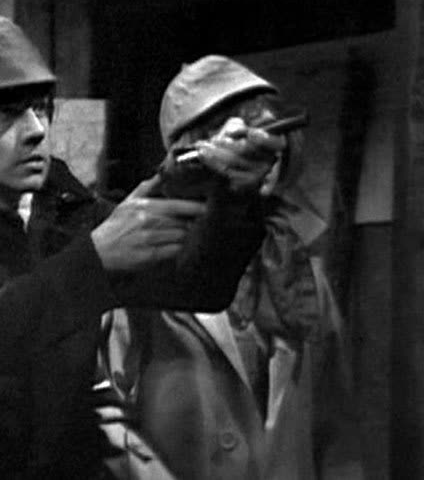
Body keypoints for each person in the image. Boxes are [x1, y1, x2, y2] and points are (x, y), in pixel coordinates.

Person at [0, 18, 286, 479]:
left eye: (41, 108)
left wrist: (235, 195)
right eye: (7, 114)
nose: (35, 130)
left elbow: (199, 286)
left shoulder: (67, 210)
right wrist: (95, 262)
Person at [97, 55, 364, 480]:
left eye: (269, 131)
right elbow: (107, 411)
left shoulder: (301, 276)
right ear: (194, 150)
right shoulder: (147, 263)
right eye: (237, 130)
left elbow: (336, 428)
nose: (262, 148)